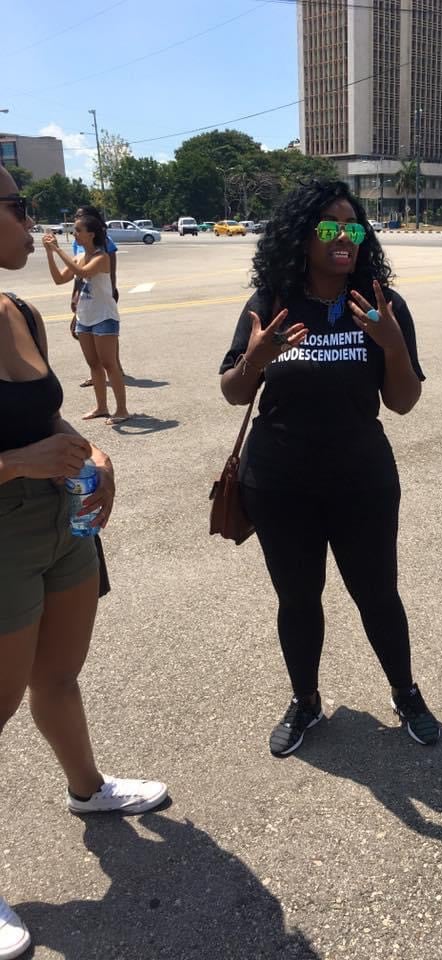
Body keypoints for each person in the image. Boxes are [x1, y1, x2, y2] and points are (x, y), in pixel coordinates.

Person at [0, 168, 166, 960]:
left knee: (59, 677)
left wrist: (92, 449)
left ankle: (88, 790)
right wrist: (20, 462)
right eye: (18, 206)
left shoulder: (19, 307)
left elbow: (51, 414)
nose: (33, 221)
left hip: (63, 524)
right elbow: (25, 445)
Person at [219, 178, 440, 757]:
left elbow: (403, 402)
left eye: (353, 227)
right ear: (302, 236)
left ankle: (406, 692)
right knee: (298, 599)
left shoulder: (382, 304)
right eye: (328, 227)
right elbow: (233, 393)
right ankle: (307, 702)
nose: (343, 237)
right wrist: (256, 357)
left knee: (378, 595)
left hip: (360, 481)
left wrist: (392, 345)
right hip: (279, 483)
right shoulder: (269, 304)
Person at [44, 216, 130, 425]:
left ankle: (122, 410)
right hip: (85, 316)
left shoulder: (102, 257)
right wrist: (49, 254)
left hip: (104, 317)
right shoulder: (78, 256)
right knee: (93, 365)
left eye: (78, 230)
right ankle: (101, 406)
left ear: (91, 234)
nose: (75, 234)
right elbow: (58, 279)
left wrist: (57, 250)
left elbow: (83, 273)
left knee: (110, 364)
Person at [69, 205, 122, 389]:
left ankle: (115, 367)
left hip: (101, 292)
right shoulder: (78, 243)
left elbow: (110, 266)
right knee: (90, 341)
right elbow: (77, 272)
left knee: (106, 336)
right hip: (85, 294)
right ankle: (97, 374)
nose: (76, 219)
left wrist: (113, 288)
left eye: (80, 217)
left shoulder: (104, 242)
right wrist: (75, 294)